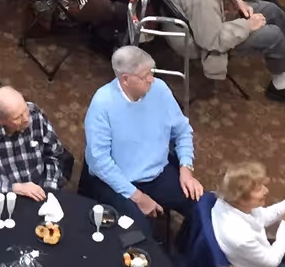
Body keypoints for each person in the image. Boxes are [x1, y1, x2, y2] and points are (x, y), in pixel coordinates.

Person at [83, 46, 202, 227]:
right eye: (145, 76)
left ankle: (187, 250)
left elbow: (182, 130)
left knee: (204, 208)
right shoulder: (102, 103)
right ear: (125, 80)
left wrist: (186, 169)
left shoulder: (160, 89)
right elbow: (99, 161)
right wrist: (138, 197)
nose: (151, 79)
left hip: (158, 173)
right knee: (137, 236)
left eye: (151, 72)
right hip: (121, 182)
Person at [0, 84, 70, 199]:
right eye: (17, 118)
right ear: (0, 120)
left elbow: (55, 154)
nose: (26, 119)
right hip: (8, 195)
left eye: (25, 110)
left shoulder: (34, 113)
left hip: (41, 187)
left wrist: (49, 189)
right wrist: (14, 188)